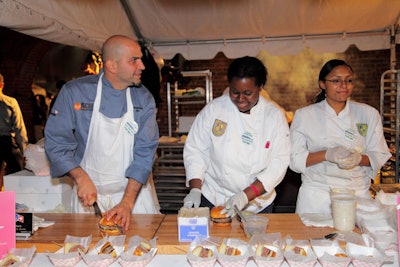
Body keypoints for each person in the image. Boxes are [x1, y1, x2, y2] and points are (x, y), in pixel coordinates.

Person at [45, 35, 160, 231]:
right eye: (134, 60)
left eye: (140, 59)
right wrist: (80, 177)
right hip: (89, 198)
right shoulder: (75, 92)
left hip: (134, 197)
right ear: (112, 66)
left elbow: (144, 154)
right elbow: (56, 142)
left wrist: (126, 203)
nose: (142, 66)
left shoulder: (143, 99)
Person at [182, 56, 290, 216]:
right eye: (235, 92)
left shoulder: (274, 117)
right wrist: (195, 189)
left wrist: (245, 196)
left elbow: (279, 163)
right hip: (214, 197)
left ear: (260, 87)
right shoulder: (214, 110)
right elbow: (196, 150)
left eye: (248, 93)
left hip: (257, 203)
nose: (240, 99)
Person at [289, 59, 391, 213]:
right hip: (318, 196)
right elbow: (294, 160)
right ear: (322, 84)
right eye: (336, 80)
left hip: (356, 194)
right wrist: (328, 154)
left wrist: (357, 158)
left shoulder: (368, 114)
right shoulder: (305, 116)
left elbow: (379, 154)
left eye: (348, 80)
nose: (343, 85)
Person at [0, 73, 28, 188]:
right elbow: (19, 128)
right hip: (6, 142)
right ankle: (7, 205)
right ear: (2, 85)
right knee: (14, 175)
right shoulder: (10, 102)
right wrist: (24, 150)